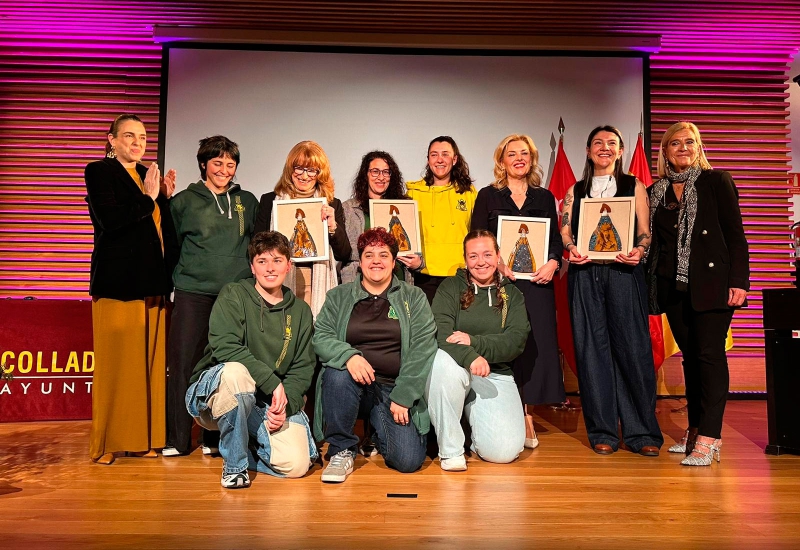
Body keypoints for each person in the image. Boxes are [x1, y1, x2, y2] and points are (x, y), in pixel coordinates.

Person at [647, 121, 748, 466]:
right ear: (665, 151)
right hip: (672, 287)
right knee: (690, 358)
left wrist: (739, 281)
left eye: (689, 142)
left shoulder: (716, 181)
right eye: (675, 143)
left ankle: (710, 436)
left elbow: (735, 235)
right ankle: (694, 428)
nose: (683, 148)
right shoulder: (656, 191)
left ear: (699, 147)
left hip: (713, 284)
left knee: (709, 356)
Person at [560, 125, 663, 456]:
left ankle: (641, 432)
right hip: (584, 273)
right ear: (588, 150)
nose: (604, 147)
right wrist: (571, 248)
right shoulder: (576, 190)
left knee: (633, 349)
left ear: (620, 151)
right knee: (592, 351)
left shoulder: (634, 186)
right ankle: (602, 430)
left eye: (611, 143)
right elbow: (565, 230)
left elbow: (645, 232)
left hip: (624, 272)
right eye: (597, 143)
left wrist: (639, 251)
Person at [186, 231, 317, 488]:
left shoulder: (301, 311)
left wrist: (285, 406)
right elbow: (226, 347)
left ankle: (245, 446)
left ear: (288, 265)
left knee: (296, 466)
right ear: (252, 267)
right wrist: (272, 382)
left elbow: (302, 367)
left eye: (277, 260)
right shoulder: (233, 294)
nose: (270, 268)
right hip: (215, 395)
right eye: (262, 261)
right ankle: (235, 467)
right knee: (236, 372)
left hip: (263, 401)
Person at [84, 113, 178, 464]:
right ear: (111, 139)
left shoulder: (146, 175)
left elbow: (157, 229)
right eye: (128, 135)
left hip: (151, 284)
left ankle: (141, 439)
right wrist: (150, 197)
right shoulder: (99, 171)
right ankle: (107, 443)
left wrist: (164, 198)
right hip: (118, 284)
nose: (137, 143)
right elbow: (110, 221)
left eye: (142, 137)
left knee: (148, 368)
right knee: (116, 367)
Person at [313, 227, 437, 483]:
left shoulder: (414, 297)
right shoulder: (338, 296)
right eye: (369, 255)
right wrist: (349, 356)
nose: (376, 261)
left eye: (383, 255)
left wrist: (404, 395)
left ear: (393, 262)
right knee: (337, 373)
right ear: (360, 263)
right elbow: (321, 336)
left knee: (408, 461)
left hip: (392, 389)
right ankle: (341, 450)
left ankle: (376, 429)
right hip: (350, 385)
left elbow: (423, 348)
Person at [163, 135, 259, 457]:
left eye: (230, 164)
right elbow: (172, 247)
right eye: (218, 163)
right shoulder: (183, 202)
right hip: (192, 293)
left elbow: (255, 246)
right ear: (204, 164)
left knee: (225, 365)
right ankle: (177, 439)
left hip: (234, 296)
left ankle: (215, 437)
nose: (224, 170)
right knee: (183, 364)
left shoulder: (247, 201)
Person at [471, 134, 565, 449]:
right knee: (504, 343)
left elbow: (554, 240)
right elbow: (477, 237)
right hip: (499, 282)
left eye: (524, 153)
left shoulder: (544, 197)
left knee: (535, 346)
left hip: (537, 283)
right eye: (512, 154)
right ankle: (502, 408)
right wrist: (495, 262)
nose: (519, 158)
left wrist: (553, 262)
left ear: (532, 159)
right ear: (502, 160)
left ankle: (527, 414)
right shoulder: (487, 195)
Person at [426, 230, 530, 471]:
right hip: (455, 367)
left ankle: (472, 427)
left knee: (504, 453)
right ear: (465, 259)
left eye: (487, 254)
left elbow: (515, 341)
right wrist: (470, 357)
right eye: (473, 256)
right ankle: (451, 451)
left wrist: (474, 342)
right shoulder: (450, 287)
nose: (481, 262)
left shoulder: (512, 295)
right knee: (441, 361)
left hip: (494, 372)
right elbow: (441, 333)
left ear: (498, 256)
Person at [254, 140, 351, 317]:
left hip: (315, 281)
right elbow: (256, 247)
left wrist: (332, 227)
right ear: (290, 169)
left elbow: (344, 254)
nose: (305, 176)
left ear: (320, 173)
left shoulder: (332, 204)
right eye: (299, 168)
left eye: (312, 170)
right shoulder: (270, 201)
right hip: (278, 280)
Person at [407, 136, 477, 303]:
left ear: (455, 159)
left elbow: (476, 234)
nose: (439, 159)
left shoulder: (468, 193)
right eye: (434, 155)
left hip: (460, 275)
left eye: (445, 154)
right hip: (424, 274)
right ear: (428, 160)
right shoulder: (412, 193)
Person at [341, 150, 418, 284]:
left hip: (398, 280)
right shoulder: (348, 208)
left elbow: (415, 247)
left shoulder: (404, 206)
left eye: (386, 172)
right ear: (366, 174)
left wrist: (419, 262)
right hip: (359, 281)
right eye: (375, 171)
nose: (381, 177)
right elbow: (343, 251)